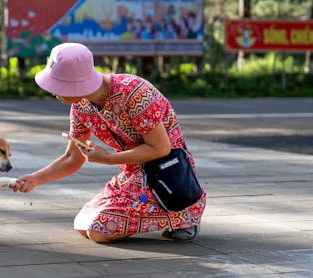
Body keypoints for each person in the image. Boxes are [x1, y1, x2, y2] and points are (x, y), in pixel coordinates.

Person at [10, 42, 206, 243]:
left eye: (58, 85)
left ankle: (183, 213)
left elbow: (161, 148)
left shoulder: (135, 93)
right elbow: (72, 157)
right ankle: (166, 213)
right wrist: (35, 179)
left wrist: (108, 158)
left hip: (167, 173)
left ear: (76, 84)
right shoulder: (81, 106)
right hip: (135, 173)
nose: (53, 91)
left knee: (98, 231)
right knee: (83, 224)